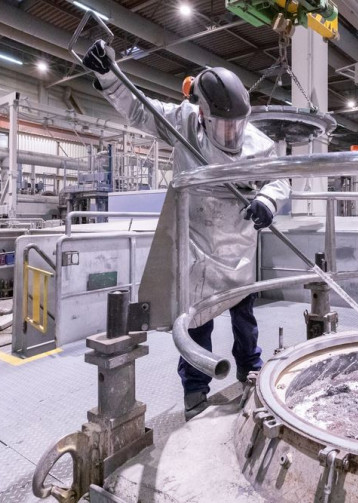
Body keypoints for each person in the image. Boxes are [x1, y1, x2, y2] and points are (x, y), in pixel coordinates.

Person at [82, 40, 291, 420]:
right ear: (203, 114)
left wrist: (268, 201)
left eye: (237, 125)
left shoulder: (259, 146)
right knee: (197, 323)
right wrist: (108, 74)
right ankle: (195, 392)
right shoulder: (183, 123)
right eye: (223, 125)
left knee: (245, 318)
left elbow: (278, 180)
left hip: (238, 249)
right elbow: (140, 110)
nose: (232, 133)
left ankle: (250, 369)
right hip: (195, 248)